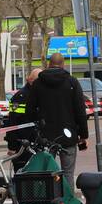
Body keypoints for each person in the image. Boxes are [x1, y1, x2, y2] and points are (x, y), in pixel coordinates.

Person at [26, 52, 88, 189]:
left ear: (48, 64)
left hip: (46, 137)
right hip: (69, 135)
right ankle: (68, 203)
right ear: (63, 64)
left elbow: (29, 110)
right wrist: (83, 135)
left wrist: (38, 127)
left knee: (47, 173)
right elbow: (80, 111)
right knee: (68, 173)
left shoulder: (37, 84)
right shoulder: (72, 82)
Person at [5, 68, 42, 171]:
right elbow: (12, 122)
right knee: (22, 175)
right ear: (30, 80)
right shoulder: (20, 97)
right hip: (21, 145)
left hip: (36, 143)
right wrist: (12, 146)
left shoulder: (39, 95)